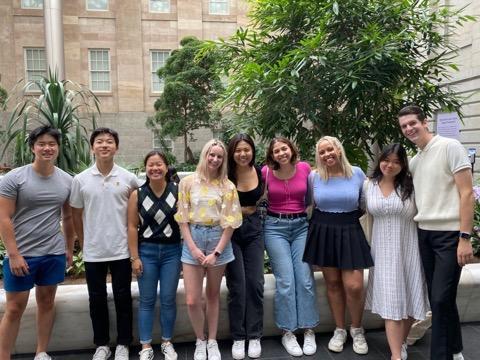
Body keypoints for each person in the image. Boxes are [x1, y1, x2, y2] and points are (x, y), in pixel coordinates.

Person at [398, 105, 474, 360]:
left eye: (412, 123)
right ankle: (455, 349)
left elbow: (466, 193)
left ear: (425, 121)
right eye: (404, 126)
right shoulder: (416, 161)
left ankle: (440, 356)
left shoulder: (450, 147)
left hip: (450, 236)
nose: (409, 129)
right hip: (425, 235)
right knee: (441, 298)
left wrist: (465, 237)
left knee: (440, 298)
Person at [0, 126, 74, 360]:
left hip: (53, 253)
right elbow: (3, 217)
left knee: (46, 302)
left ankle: (41, 352)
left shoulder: (66, 180)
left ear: (58, 148)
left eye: (52, 144)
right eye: (41, 144)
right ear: (32, 147)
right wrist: (13, 254)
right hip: (22, 254)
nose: (47, 148)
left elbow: (68, 217)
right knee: (14, 308)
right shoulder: (14, 178)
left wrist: (69, 250)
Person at [70, 128, 139, 360]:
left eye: (109, 142)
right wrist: (84, 240)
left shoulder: (129, 178)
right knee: (96, 298)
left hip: (121, 249)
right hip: (94, 251)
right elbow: (76, 214)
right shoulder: (80, 180)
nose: (104, 145)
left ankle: (123, 343)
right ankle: (101, 344)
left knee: (123, 297)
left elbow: (137, 213)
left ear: (116, 147)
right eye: (99, 142)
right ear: (92, 147)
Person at [303, 135, 372, 355]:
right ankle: (340, 329)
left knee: (354, 286)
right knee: (332, 284)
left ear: (339, 150)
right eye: (322, 152)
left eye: (329, 150)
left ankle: (357, 329)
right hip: (323, 229)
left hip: (350, 228)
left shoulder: (357, 173)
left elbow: (363, 204)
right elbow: (309, 204)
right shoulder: (314, 177)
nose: (326, 155)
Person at [174, 139, 242, 360]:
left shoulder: (227, 185)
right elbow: (182, 218)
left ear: (223, 160)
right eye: (211, 155)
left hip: (217, 240)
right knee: (193, 299)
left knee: (212, 295)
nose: (214, 159)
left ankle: (212, 340)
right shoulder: (188, 183)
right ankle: (199, 340)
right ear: (204, 155)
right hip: (193, 238)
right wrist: (192, 248)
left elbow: (231, 222)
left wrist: (217, 253)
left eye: (219, 156)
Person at [363, 143, 429, 360]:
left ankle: (400, 344)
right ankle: (395, 355)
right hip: (382, 252)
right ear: (380, 160)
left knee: (411, 301)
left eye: (396, 162)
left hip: (410, 249)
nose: (390, 165)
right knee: (392, 302)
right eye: (386, 160)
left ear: (403, 165)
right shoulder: (369, 185)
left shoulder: (412, 185)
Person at [262, 137, 319, 357]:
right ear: (272, 155)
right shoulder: (266, 172)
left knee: (305, 279)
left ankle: (309, 329)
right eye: (276, 151)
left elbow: (311, 199)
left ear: (291, 149)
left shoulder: (305, 168)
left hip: (301, 227)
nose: (281, 153)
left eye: (284, 148)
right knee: (285, 281)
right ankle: (288, 332)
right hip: (274, 227)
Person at [127, 151, 181, 360]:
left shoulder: (177, 191)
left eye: (159, 164)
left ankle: (167, 341)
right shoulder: (137, 194)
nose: (155, 168)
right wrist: (135, 257)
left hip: (172, 252)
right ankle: (146, 346)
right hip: (146, 252)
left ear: (166, 167)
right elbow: (132, 227)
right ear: (145, 168)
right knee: (147, 300)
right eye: (151, 165)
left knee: (168, 299)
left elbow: (185, 220)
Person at [225, 134, 264, 360]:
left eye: (246, 149)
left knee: (255, 283)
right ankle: (239, 336)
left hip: (254, 230)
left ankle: (255, 334)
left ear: (252, 151)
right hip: (230, 232)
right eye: (238, 150)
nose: (242, 154)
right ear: (232, 152)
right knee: (237, 285)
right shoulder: (225, 174)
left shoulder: (260, 172)